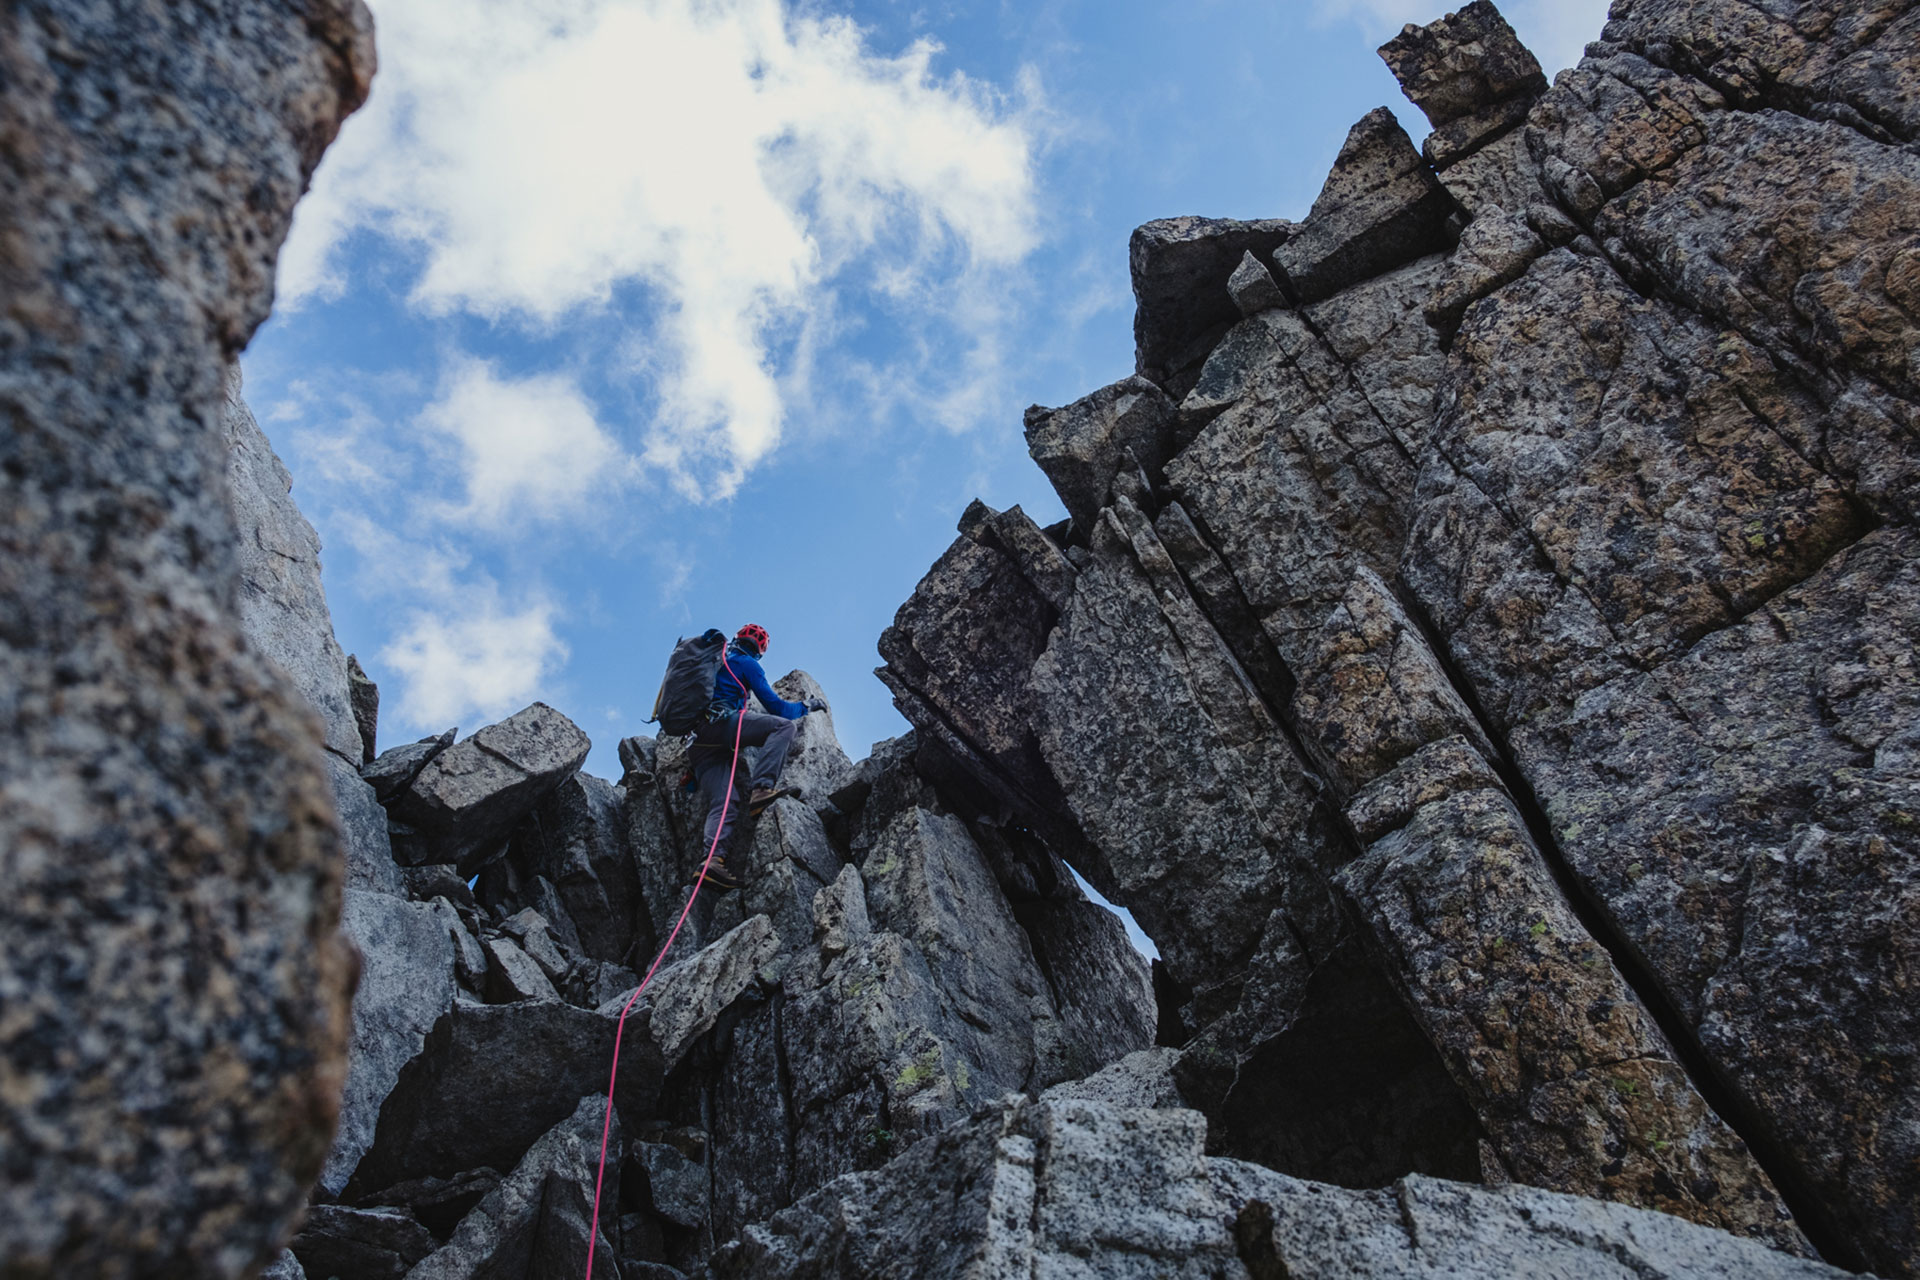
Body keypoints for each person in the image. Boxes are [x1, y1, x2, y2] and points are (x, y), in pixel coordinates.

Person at [687, 623, 825, 890]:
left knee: (725, 800)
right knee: (783, 727)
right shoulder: (745, 663)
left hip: (696, 743)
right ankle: (762, 789)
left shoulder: (713, 662)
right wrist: (806, 705)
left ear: (738, 637)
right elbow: (778, 708)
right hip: (720, 725)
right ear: (760, 651)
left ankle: (712, 861)